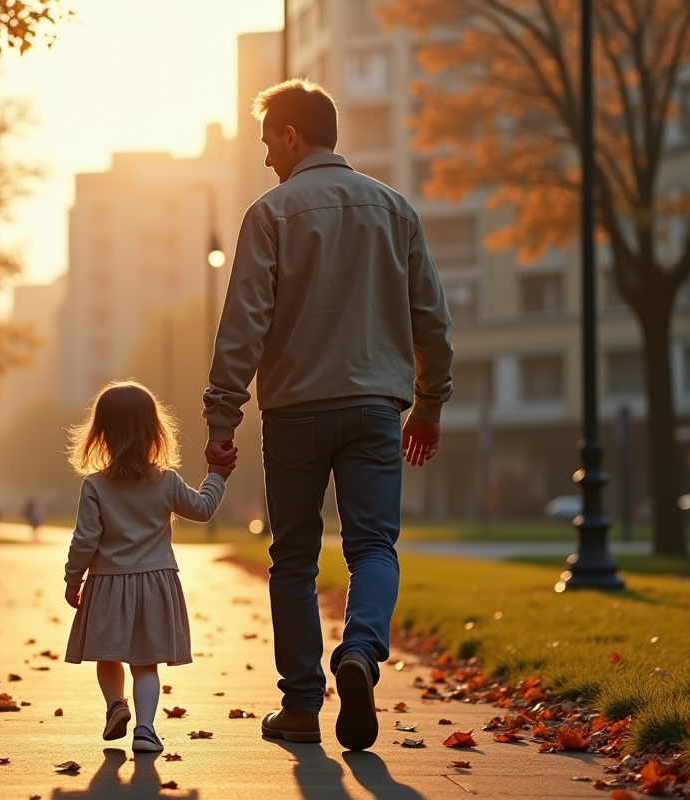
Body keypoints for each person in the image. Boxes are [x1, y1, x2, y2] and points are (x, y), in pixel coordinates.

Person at [203, 79, 453, 751]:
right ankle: (361, 655)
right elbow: (432, 320)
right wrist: (429, 405)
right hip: (375, 408)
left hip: (294, 413)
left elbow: (243, 327)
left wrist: (222, 420)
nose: (265, 161)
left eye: (267, 143)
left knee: (293, 558)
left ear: (291, 135)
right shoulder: (395, 210)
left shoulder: (270, 213)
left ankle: (302, 706)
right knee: (373, 546)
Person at [62, 380, 236, 752]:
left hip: (108, 583)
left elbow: (84, 540)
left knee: (108, 655)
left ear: (101, 434)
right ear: (153, 431)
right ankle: (144, 730)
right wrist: (217, 476)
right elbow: (203, 509)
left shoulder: (96, 486)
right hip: (155, 584)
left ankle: (115, 705)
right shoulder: (166, 482)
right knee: (146, 665)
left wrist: (72, 579)